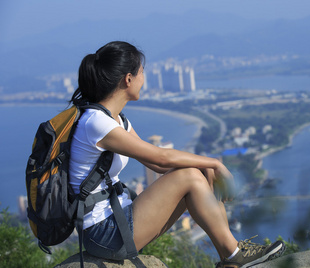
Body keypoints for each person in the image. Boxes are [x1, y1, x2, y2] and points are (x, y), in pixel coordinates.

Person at [68, 41, 285, 267]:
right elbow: (161, 158)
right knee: (190, 176)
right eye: (142, 73)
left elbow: (158, 165)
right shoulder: (96, 123)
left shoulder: (117, 120)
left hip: (120, 220)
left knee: (196, 173)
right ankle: (235, 255)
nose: (144, 80)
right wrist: (214, 163)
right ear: (128, 79)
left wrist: (205, 168)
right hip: (106, 233)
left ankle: (230, 256)